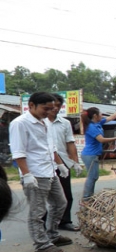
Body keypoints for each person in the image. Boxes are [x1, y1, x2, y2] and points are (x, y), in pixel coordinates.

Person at [9, 92, 72, 252]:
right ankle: (42, 245)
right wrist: (27, 174)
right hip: (35, 173)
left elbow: (51, 147)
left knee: (60, 203)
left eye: (52, 108)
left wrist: (60, 164)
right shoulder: (20, 124)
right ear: (31, 105)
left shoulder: (46, 122)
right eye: (46, 108)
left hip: (50, 171)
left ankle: (52, 234)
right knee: (38, 212)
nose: (50, 111)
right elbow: (18, 152)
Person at [44, 94, 83, 231]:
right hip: (45, 162)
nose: (55, 108)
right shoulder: (40, 121)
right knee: (43, 194)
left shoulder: (65, 123)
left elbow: (70, 143)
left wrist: (75, 162)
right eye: (53, 105)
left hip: (62, 162)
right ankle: (44, 221)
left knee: (66, 193)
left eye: (58, 106)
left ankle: (65, 221)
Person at [81, 106, 116, 202]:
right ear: (95, 116)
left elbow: (111, 118)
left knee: (94, 176)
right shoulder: (91, 127)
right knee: (92, 176)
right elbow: (101, 140)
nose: (102, 115)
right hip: (90, 155)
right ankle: (86, 198)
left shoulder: (97, 123)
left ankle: (89, 197)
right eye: (100, 114)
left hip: (92, 154)